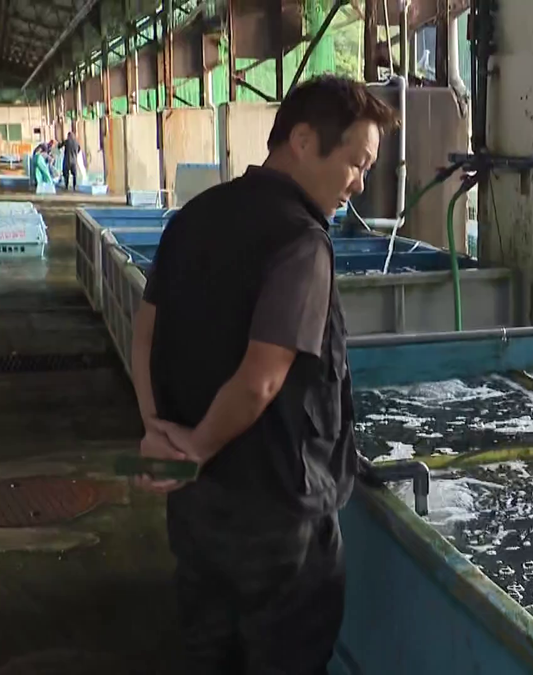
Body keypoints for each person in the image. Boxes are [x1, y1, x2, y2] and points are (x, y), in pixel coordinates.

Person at [130, 75, 397, 674]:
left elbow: (144, 330)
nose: (359, 184)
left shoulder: (194, 217)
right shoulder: (301, 243)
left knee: (208, 650)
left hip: (195, 506)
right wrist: (195, 447)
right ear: (303, 140)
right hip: (277, 519)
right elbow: (262, 380)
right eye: (357, 163)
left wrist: (157, 433)